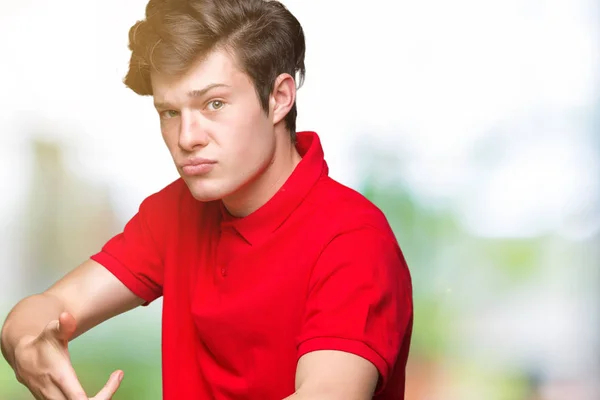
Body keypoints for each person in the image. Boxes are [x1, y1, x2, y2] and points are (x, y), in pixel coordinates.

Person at [1, 0, 413, 399]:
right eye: (170, 112)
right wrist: (25, 343)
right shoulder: (175, 212)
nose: (187, 138)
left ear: (279, 98)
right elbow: (46, 308)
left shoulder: (353, 240)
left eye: (214, 104)